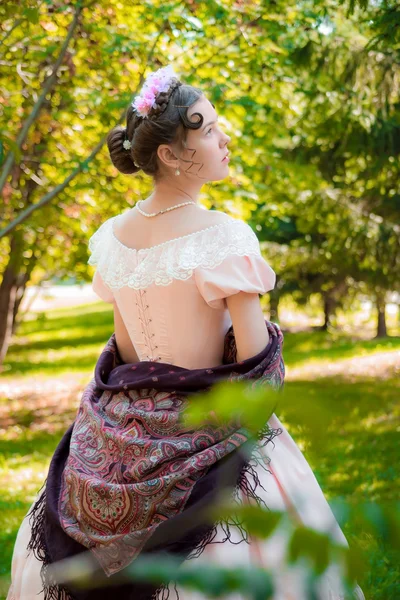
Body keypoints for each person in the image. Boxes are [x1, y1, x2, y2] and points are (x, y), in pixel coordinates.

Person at [7, 65, 365, 600]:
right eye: (210, 130)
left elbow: (127, 357)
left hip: (122, 427)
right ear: (171, 155)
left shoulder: (110, 238)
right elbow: (258, 366)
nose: (226, 139)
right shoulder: (224, 235)